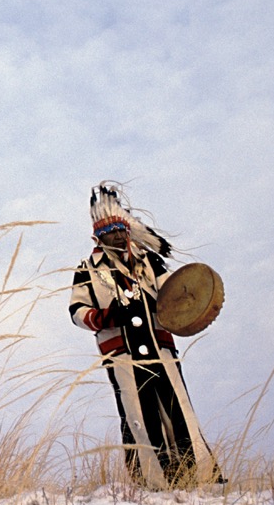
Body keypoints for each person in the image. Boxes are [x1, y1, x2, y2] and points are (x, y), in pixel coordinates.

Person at [70, 182, 221, 488]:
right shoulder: (88, 269)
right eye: (111, 230)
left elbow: (176, 294)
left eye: (122, 229)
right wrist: (108, 317)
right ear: (99, 235)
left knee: (179, 412)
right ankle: (153, 485)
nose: (119, 234)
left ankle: (199, 480)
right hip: (123, 357)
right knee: (139, 417)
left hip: (161, 350)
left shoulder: (150, 263)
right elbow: (77, 311)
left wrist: (192, 309)